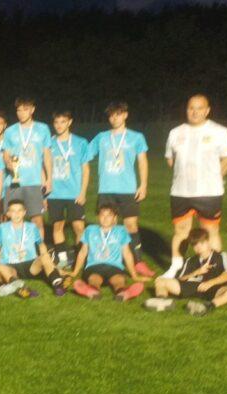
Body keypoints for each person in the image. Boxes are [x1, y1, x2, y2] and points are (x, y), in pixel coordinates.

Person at [160, 94, 227, 279]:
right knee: (180, 232)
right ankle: (176, 268)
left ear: (207, 110)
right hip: (180, 192)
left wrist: (215, 176)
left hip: (209, 193)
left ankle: (215, 270)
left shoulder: (219, 131)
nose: (195, 112)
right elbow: (170, 160)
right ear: (186, 110)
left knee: (210, 232)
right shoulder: (175, 132)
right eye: (191, 108)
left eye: (199, 108)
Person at [86, 102, 153, 277]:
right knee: (107, 225)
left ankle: (138, 262)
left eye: (118, 114)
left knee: (131, 225)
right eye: (111, 115)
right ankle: (110, 259)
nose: (114, 118)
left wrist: (143, 184)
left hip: (127, 189)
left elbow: (142, 161)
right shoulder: (101, 137)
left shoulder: (136, 137)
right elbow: (85, 154)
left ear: (125, 115)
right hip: (106, 189)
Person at [147, 228, 227, 316]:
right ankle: (162, 301)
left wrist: (210, 283)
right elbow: (181, 279)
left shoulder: (221, 256)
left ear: (208, 242)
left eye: (201, 243)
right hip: (194, 287)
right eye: (195, 245)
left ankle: (207, 306)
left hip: (214, 288)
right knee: (160, 280)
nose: (198, 247)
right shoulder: (191, 260)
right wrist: (196, 272)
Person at [66, 205, 146, 301]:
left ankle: (122, 292)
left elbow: (127, 253)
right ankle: (93, 290)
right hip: (94, 266)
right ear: (98, 217)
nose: (105, 218)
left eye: (109, 215)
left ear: (115, 218)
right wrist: (75, 272)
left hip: (114, 266)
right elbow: (83, 252)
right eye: (102, 215)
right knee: (94, 278)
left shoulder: (121, 231)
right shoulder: (90, 230)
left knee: (118, 279)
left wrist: (134, 275)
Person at [1, 97, 53, 237]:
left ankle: (39, 249)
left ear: (32, 110)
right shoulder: (10, 131)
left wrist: (49, 179)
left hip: (34, 182)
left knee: (37, 220)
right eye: (19, 110)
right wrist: (9, 164)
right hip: (14, 182)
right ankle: (13, 247)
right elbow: (6, 154)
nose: (21, 113)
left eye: (25, 109)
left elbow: (47, 156)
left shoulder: (43, 129)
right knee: (11, 219)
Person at [47, 111, 91, 269]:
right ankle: (63, 259)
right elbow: (44, 169)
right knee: (57, 227)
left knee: (79, 227)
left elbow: (86, 169)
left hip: (74, 193)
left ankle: (81, 258)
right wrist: (45, 194)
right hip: (55, 193)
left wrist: (83, 192)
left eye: (63, 121)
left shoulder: (80, 142)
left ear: (70, 122)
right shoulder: (49, 143)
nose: (59, 125)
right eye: (56, 122)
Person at [0, 200, 66, 298]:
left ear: (24, 212)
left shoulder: (32, 227)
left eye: (19, 211)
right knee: (1, 267)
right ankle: (22, 289)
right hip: (11, 265)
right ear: (8, 213)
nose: (16, 214)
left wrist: (48, 261)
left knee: (45, 256)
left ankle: (58, 285)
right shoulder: (2, 228)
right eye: (13, 211)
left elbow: (41, 244)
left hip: (31, 265)